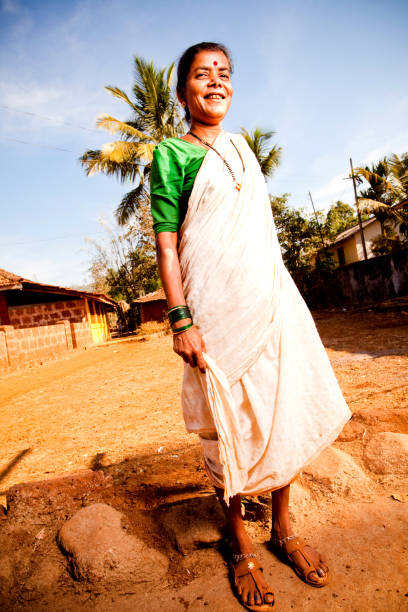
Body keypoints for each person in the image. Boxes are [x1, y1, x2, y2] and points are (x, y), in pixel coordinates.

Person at [150, 41, 351, 611]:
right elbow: (169, 246)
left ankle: (283, 529)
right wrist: (180, 318)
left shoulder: (242, 149)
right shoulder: (171, 155)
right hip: (213, 312)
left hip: (269, 301)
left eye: (224, 73)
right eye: (201, 74)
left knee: (280, 408)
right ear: (183, 89)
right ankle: (240, 541)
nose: (215, 82)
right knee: (227, 422)